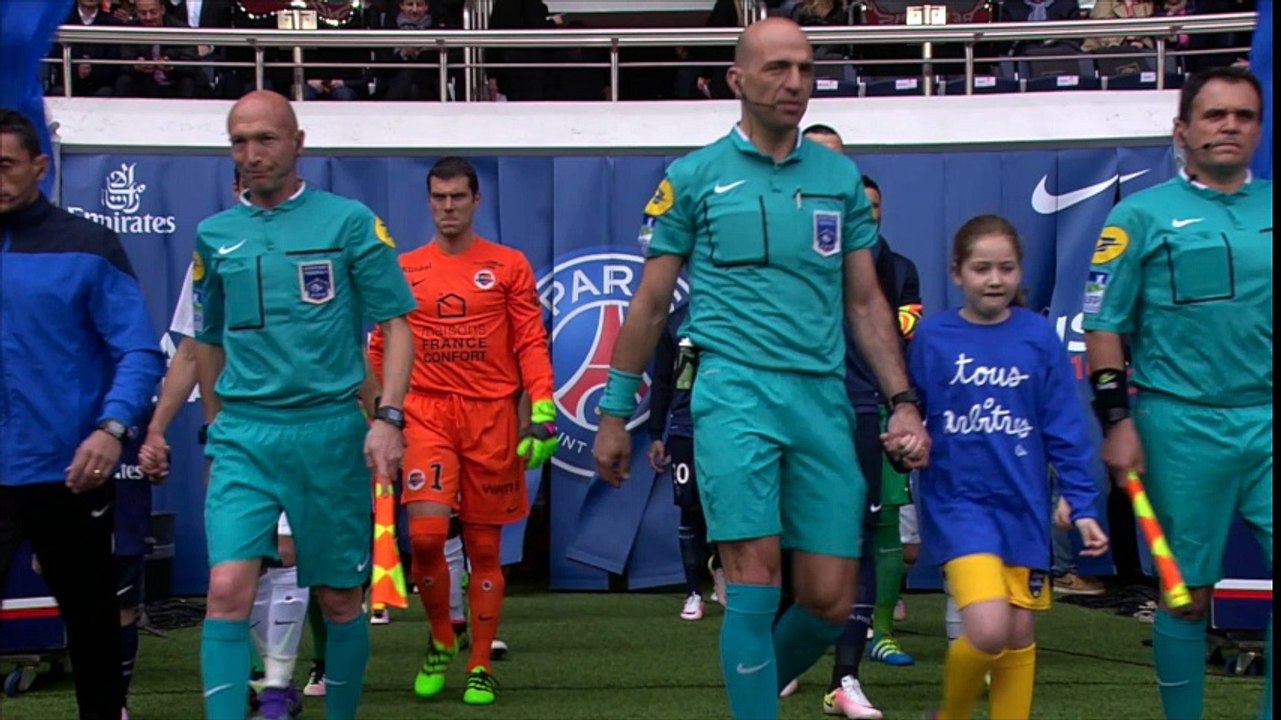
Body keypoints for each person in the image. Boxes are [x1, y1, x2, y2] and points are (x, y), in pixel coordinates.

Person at [591, 19, 931, 720]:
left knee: (830, 601)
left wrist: (901, 399)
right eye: (776, 68)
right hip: (733, 395)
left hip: (822, 401)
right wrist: (614, 413)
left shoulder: (837, 176)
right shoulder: (691, 177)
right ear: (736, 81)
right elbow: (651, 304)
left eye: (805, 69)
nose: (794, 83)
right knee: (752, 580)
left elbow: (866, 300)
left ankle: (750, 695)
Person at [192, 90, 417, 720]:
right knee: (227, 588)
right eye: (239, 142)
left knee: (342, 600)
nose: (252, 154)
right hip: (244, 435)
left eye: (265, 139)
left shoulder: (347, 222)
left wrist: (388, 417)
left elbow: (398, 325)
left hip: (328, 433)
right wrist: (215, 430)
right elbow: (207, 341)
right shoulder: (215, 235)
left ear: (298, 142)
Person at [1082, 66, 1272, 720]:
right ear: (1181, 130)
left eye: (1243, 116)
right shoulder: (1139, 216)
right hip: (1179, 427)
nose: (1229, 126)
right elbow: (1104, 325)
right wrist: (1117, 420)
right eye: (1215, 115)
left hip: (1269, 423)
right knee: (1183, 592)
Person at [367, 156, 557, 706]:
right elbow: (381, 347)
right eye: (438, 198)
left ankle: (479, 664)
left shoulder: (507, 265)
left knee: (483, 547)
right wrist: (384, 414)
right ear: (428, 201)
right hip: (426, 413)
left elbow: (529, 341)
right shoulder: (405, 269)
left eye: (457, 197)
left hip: (492, 417)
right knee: (425, 538)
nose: (447, 207)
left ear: (477, 201)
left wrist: (541, 408)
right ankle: (441, 635)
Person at [0, 108, 165, 720]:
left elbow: (138, 350)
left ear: (40, 167)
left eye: (5, 165)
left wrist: (111, 429)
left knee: (94, 624)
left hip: (69, 470)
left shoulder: (88, 244)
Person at [910, 214, 1109, 720]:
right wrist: (905, 441)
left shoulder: (1037, 337)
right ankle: (951, 715)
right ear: (957, 273)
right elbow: (909, 412)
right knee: (990, 630)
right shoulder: (933, 337)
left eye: (1006, 268)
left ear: (1020, 273)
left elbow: (1064, 425)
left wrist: (1081, 502)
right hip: (959, 505)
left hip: (1022, 509)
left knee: (1018, 635)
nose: (994, 280)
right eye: (981, 269)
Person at [801, 124, 925, 719]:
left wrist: (903, 399)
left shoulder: (869, 248)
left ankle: (845, 677)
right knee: (784, 543)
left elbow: (884, 328)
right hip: (785, 406)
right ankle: (787, 658)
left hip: (853, 406)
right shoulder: (767, 228)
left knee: (863, 539)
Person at [645, 300, 723, 621]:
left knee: (730, 505)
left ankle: (723, 571)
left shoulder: (737, 309)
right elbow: (663, 379)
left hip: (728, 426)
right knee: (689, 508)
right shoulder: (676, 319)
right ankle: (694, 593)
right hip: (685, 427)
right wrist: (656, 434)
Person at [114, 404, 159, 720]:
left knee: (122, 613)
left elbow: (159, 470)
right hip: (75, 528)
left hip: (126, 528)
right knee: (85, 617)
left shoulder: (143, 411)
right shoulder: (70, 402)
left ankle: (118, 701)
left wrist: (155, 462)